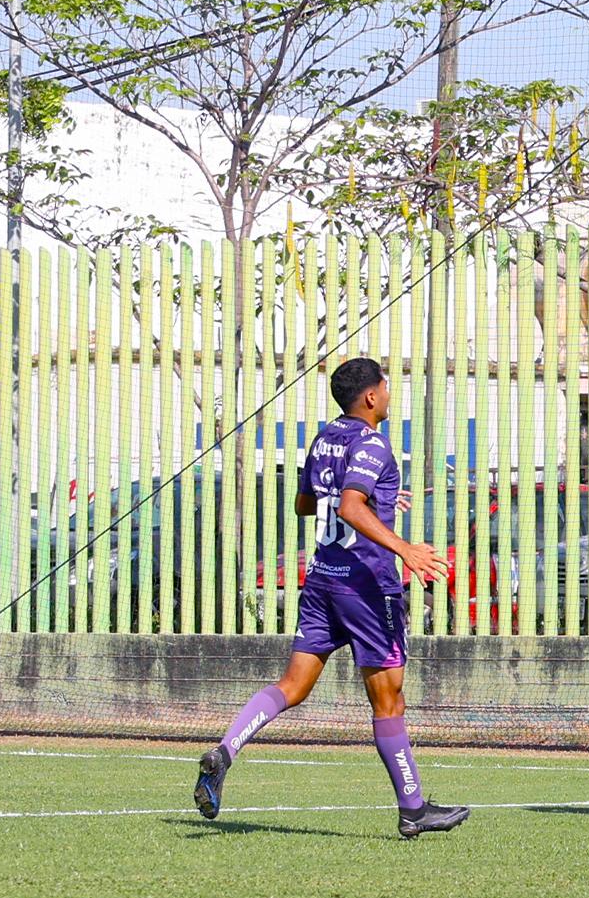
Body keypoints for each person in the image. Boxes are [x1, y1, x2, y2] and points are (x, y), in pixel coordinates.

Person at [192, 357, 467, 839]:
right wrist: (405, 549)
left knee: (292, 687)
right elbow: (349, 505)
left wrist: (377, 501)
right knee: (389, 700)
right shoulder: (374, 443)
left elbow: (307, 503)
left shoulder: (324, 438)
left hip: (321, 579)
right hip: (364, 585)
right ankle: (413, 809)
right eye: (385, 386)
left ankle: (225, 751)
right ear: (371, 397)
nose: (388, 392)